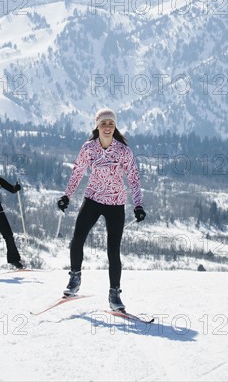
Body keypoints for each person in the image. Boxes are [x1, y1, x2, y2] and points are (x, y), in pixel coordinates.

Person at [57, 108, 146, 311]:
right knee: (77, 239)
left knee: (113, 250)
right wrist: (66, 196)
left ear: (115, 127)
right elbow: (77, 172)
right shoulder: (89, 148)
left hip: (116, 203)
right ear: (97, 126)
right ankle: (75, 279)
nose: (107, 127)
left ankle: (114, 294)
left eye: (111, 124)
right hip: (93, 199)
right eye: (104, 123)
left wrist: (138, 205)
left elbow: (133, 178)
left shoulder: (123, 151)